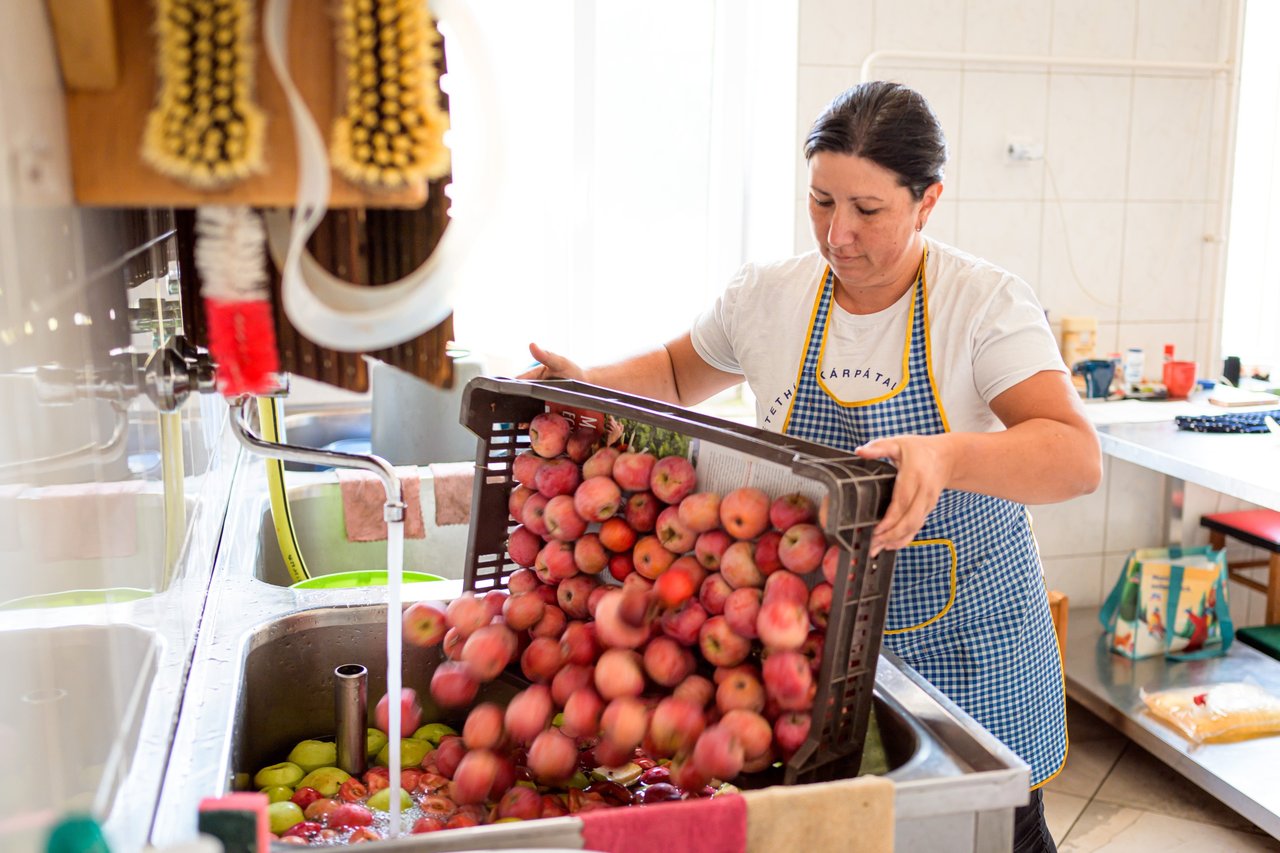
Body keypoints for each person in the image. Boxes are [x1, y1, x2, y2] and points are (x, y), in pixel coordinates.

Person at [522, 80, 1101, 852]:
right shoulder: (770, 295)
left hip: (959, 654)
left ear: (927, 202)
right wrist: (584, 382)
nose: (838, 236)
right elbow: (672, 371)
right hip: (807, 644)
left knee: (981, 833)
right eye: (822, 201)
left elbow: (1074, 454)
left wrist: (948, 454)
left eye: (868, 210)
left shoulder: (983, 304)